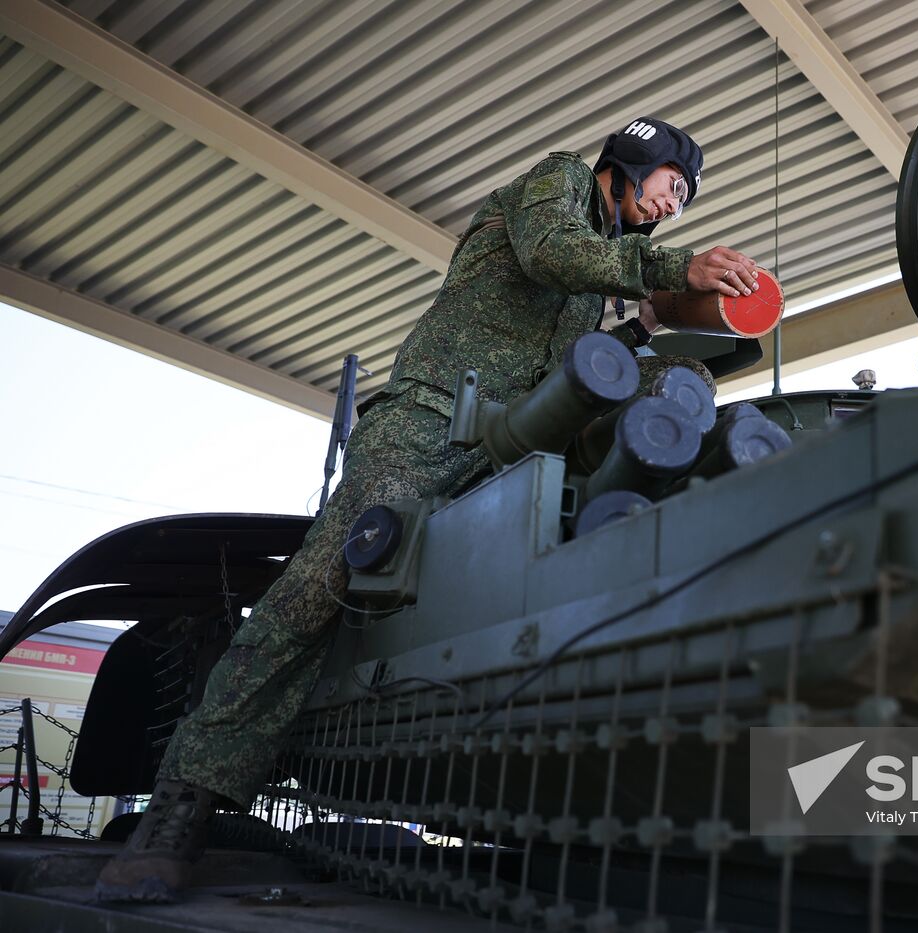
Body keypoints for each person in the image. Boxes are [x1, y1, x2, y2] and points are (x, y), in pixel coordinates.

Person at [96, 117, 760, 902]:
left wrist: (656, 323)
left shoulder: (607, 265)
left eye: (685, 201)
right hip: (428, 419)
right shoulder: (557, 185)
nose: (675, 207)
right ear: (633, 161)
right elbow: (554, 253)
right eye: (672, 186)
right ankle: (182, 805)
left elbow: (588, 348)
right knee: (317, 590)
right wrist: (675, 265)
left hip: (515, 450)